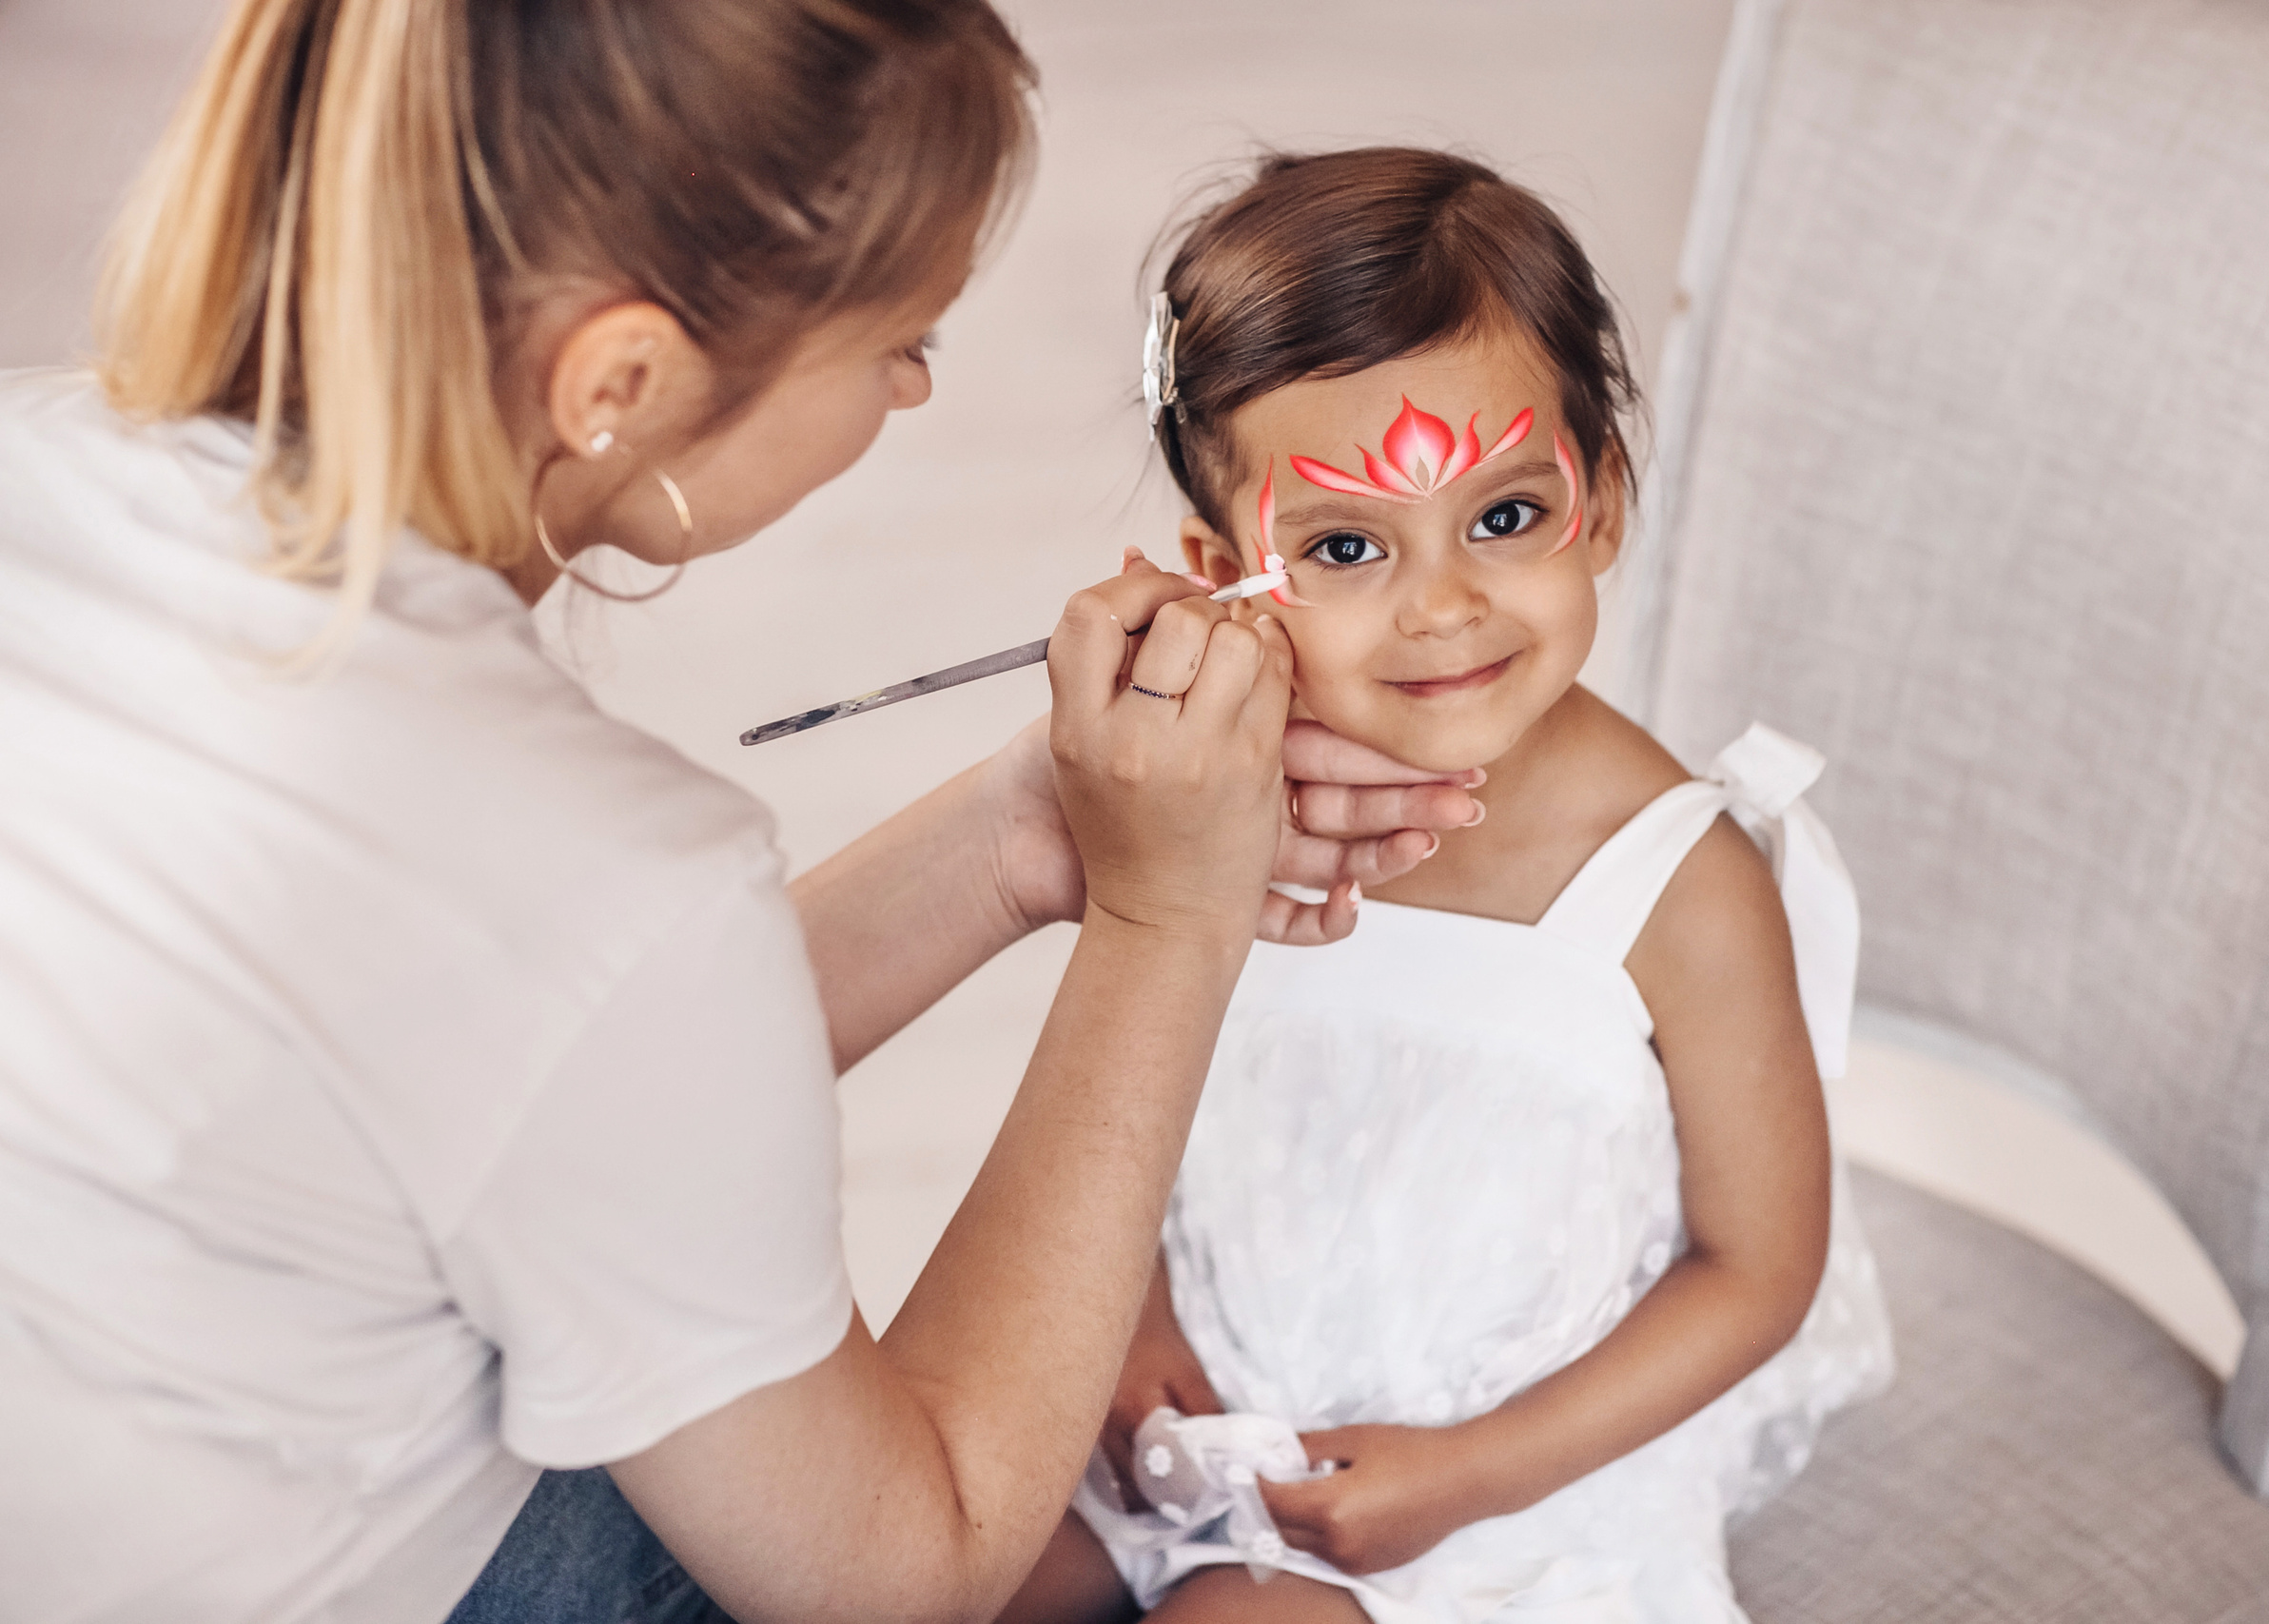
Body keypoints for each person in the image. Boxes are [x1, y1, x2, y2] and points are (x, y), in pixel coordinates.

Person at [0, 9, 1480, 1623]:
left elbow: (530, 1061)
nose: (916, 384)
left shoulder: (38, 463)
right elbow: (904, 1567)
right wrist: (1162, 921)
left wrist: (1025, 837)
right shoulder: (581, 866)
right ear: (621, 381)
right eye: (898, 335)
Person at [998, 148, 1896, 1624]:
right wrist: (1136, 1312)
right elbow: (1138, 1096)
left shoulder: (1681, 885)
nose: (1442, 605)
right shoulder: (1216, 809)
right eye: (1348, 545)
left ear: (1602, 502)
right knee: (928, 1565)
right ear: (1226, 575)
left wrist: (1470, 1473)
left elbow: (1756, 1272)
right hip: (1209, 1393)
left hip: (1493, 1485)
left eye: (1504, 518)